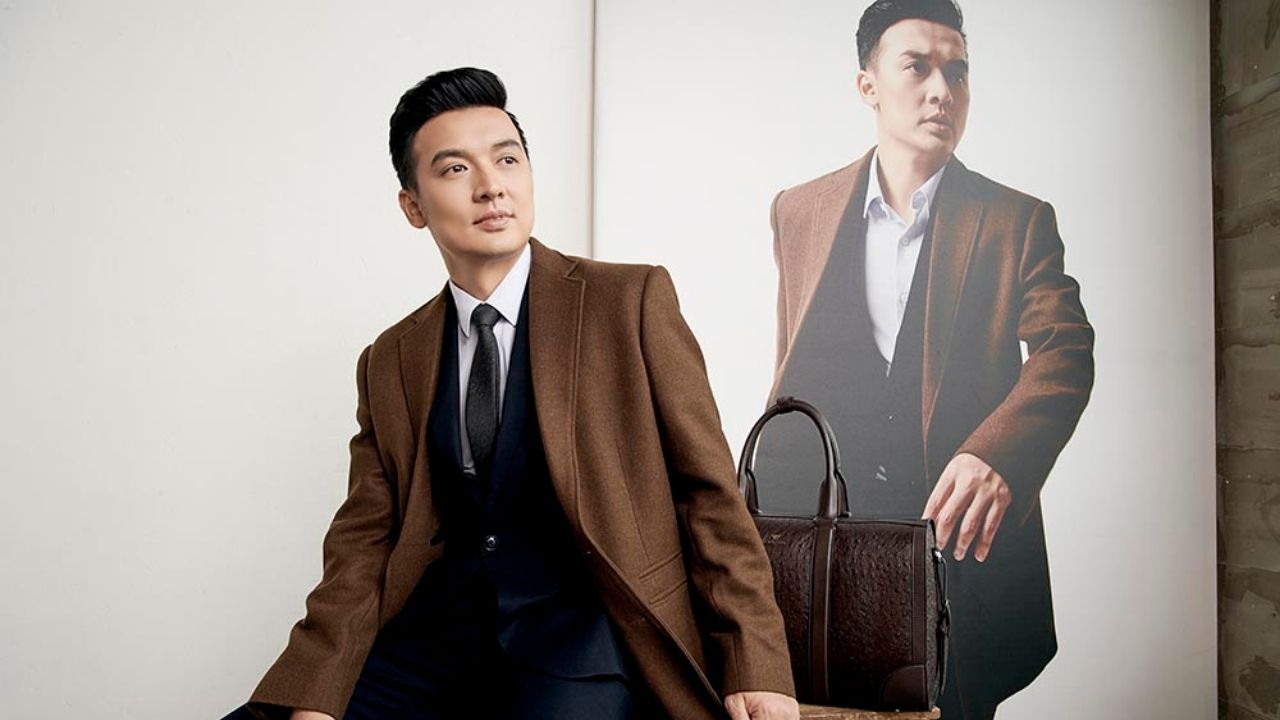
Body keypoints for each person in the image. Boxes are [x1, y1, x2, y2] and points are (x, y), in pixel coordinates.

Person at [222, 68, 798, 720]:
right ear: (413, 206)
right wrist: (316, 697)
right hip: (431, 646)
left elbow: (710, 495)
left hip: (582, 647)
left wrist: (757, 663)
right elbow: (363, 543)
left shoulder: (628, 303)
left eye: (506, 159)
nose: (491, 185)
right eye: (455, 169)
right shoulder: (392, 359)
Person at [758, 1, 1095, 718]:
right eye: (917, 66)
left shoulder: (1016, 220)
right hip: (827, 540)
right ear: (868, 86)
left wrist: (997, 455)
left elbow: (1066, 350)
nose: (943, 90)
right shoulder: (798, 210)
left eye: (958, 71)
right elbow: (793, 362)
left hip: (956, 548)